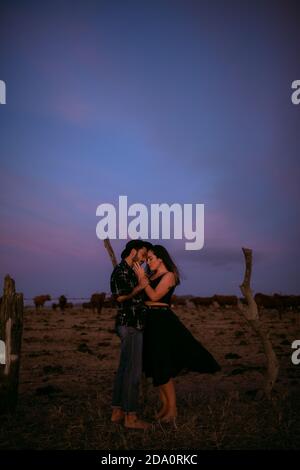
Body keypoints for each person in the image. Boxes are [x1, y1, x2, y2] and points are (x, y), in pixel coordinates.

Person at [133, 245, 221, 424]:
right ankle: (164, 408)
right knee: (156, 366)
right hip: (150, 322)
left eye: (151, 258)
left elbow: (156, 296)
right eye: (147, 259)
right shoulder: (152, 276)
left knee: (162, 365)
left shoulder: (169, 276)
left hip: (162, 322)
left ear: (161, 258)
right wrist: (141, 279)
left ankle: (172, 411)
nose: (148, 262)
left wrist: (143, 279)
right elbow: (142, 296)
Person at [110, 239, 153, 429]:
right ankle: (131, 417)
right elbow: (120, 298)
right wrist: (141, 286)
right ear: (133, 251)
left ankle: (117, 412)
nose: (143, 258)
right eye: (142, 254)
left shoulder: (133, 271)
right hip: (130, 325)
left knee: (125, 368)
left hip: (132, 324)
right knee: (133, 372)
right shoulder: (121, 271)